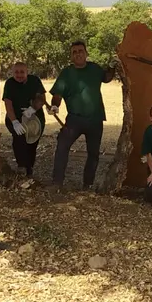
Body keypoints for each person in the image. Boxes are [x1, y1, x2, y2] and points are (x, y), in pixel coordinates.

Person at [48, 41, 116, 190]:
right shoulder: (67, 73)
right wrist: (54, 106)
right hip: (74, 119)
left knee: (93, 153)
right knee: (62, 146)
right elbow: (58, 94)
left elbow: (107, 78)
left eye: (80, 51)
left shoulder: (94, 68)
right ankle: (57, 182)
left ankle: (88, 184)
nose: (78, 54)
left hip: (95, 118)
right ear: (71, 56)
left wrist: (112, 66)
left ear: (86, 53)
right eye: (74, 52)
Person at [2, 62, 47, 177]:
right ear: (12, 73)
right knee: (19, 138)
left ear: (27, 72)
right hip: (15, 117)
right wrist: (14, 122)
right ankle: (21, 166)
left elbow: (41, 98)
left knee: (32, 141)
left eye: (22, 72)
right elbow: (8, 104)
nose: (19, 75)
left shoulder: (35, 81)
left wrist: (32, 109)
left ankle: (29, 168)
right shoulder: (9, 83)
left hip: (35, 117)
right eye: (16, 72)